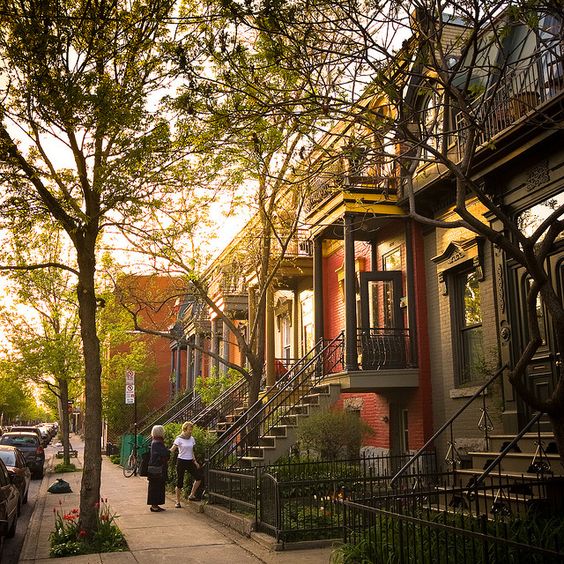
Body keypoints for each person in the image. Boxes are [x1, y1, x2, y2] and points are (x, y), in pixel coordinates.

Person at [170, 421, 204, 507]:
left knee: (198, 477)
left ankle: (191, 495)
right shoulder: (179, 439)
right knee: (180, 482)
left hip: (189, 461)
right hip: (181, 461)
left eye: (191, 429)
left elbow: (191, 451)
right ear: (184, 429)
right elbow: (173, 449)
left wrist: (195, 461)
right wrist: (165, 452)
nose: (191, 431)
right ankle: (177, 502)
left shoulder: (192, 439)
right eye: (189, 429)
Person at [147, 424, 169, 512]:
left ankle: (155, 505)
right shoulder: (158, 442)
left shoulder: (154, 441)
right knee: (156, 487)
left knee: (156, 486)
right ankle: (154, 506)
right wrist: (170, 451)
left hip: (154, 467)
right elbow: (165, 453)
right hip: (158, 468)